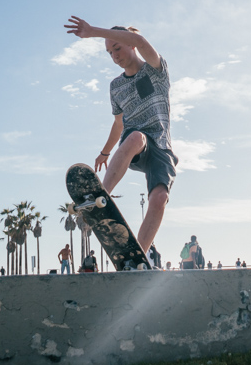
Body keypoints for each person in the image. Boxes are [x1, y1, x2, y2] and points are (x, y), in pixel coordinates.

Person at [65, 17, 177, 267]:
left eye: (117, 47)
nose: (114, 55)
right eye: (109, 52)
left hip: (161, 147)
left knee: (159, 199)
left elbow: (139, 39)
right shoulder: (115, 86)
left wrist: (93, 31)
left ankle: (135, 260)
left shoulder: (156, 70)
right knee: (136, 137)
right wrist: (105, 152)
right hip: (133, 143)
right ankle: (99, 198)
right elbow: (118, 124)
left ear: (130, 45)